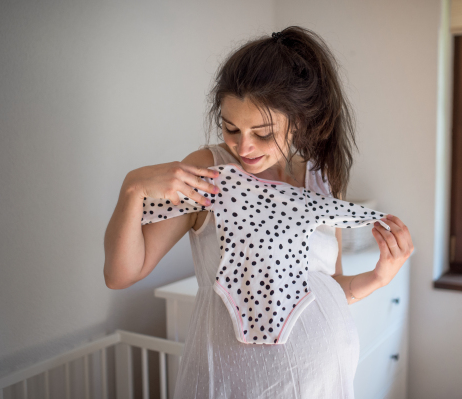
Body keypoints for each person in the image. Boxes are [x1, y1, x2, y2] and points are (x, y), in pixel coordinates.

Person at [103, 26, 414, 399]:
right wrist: (132, 188)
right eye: (230, 128)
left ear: (298, 120)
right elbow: (121, 274)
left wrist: (380, 276)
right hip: (237, 386)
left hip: (327, 383)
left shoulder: (323, 177)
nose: (244, 146)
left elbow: (328, 284)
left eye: (262, 133)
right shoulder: (209, 170)